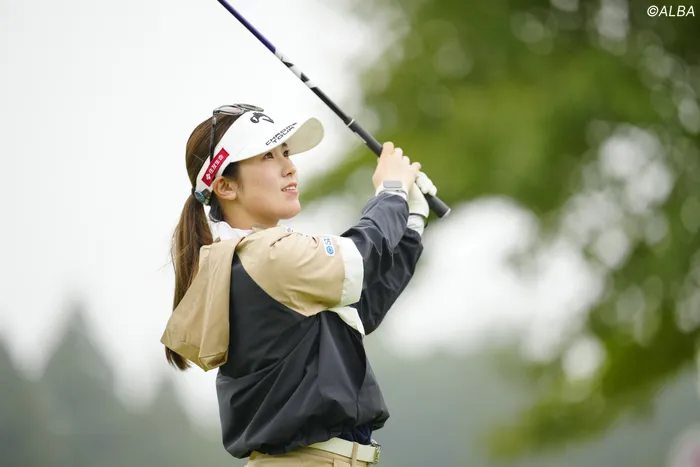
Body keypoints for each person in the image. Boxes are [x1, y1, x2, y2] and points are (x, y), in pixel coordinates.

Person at [160, 103, 437, 466]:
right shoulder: (264, 255)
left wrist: (411, 221)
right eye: (267, 156)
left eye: (286, 153)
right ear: (225, 186)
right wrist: (391, 191)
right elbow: (359, 257)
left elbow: (362, 306)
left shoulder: (255, 260)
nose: (289, 167)